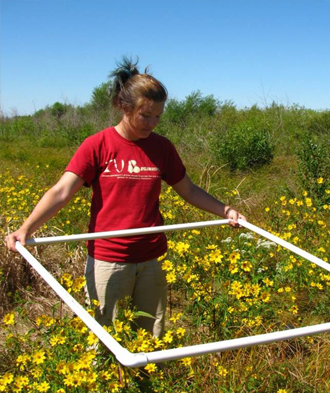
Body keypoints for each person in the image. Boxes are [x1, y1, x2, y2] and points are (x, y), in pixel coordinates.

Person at [6, 57, 246, 338]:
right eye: (146, 115)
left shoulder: (162, 148)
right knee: (105, 338)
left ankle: (145, 381)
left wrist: (226, 210)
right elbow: (61, 192)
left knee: (151, 335)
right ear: (124, 106)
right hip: (109, 259)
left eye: (158, 116)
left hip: (151, 257)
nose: (153, 123)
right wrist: (26, 229)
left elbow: (189, 190)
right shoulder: (98, 145)